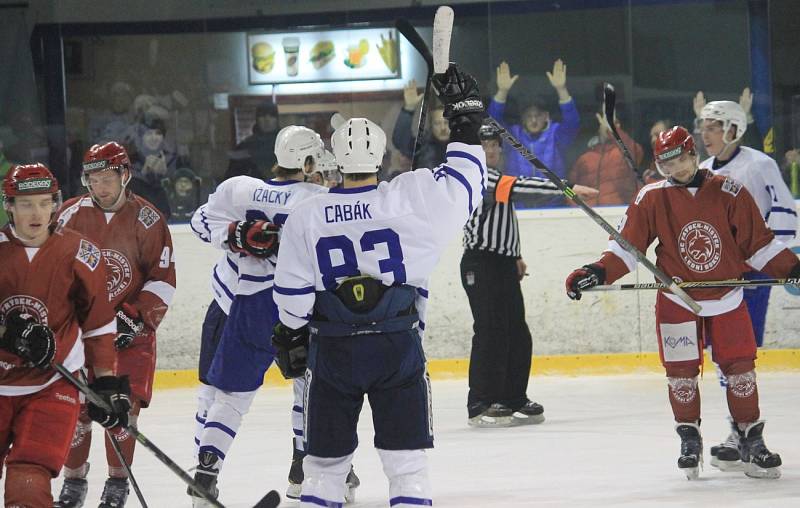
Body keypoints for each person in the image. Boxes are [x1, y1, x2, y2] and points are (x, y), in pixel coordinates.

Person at [270, 63, 485, 507]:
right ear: (382, 156)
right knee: (407, 467)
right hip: (396, 348)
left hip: (333, 352)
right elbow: (467, 184)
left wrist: (291, 332)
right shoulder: (410, 195)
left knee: (324, 471)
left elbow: (291, 297)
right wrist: (464, 120)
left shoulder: (307, 215)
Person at [565, 126, 800, 480]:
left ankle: (750, 437)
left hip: (726, 296)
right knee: (681, 376)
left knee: (741, 372)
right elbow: (626, 250)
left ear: (693, 154)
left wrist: (793, 267)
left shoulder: (729, 190)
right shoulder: (650, 198)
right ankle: (689, 438)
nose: (675, 170)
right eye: (666, 164)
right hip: (677, 299)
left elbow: (758, 244)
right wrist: (597, 271)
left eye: (680, 160)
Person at [187, 126, 359, 506]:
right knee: (311, 390)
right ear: (308, 162)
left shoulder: (238, 189)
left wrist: (235, 233)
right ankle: (307, 470)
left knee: (228, 398)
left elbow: (201, 223)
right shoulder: (318, 199)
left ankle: (205, 475)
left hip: (245, 306)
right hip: (298, 308)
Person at [55, 142, 176, 508]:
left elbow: (162, 279)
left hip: (131, 336)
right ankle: (73, 483)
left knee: (122, 410)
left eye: (108, 178)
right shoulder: (68, 215)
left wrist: (134, 315)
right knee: (75, 411)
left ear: (125, 175)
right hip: (80, 336)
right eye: (94, 179)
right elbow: (53, 271)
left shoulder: (148, 220)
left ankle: (117, 484)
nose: (101, 187)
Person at [1, 163, 129, 508]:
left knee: (29, 480)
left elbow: (99, 324)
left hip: (52, 384)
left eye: (45, 202)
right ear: (8, 206)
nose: (37, 213)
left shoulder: (81, 253)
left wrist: (105, 384)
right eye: (26, 204)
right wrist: (7, 333)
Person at [464, 122, 598, 427]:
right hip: (481, 264)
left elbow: (502, 218)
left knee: (517, 334)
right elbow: (520, 189)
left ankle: (513, 397)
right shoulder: (477, 177)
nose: (492, 150)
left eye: (496, 145)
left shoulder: (495, 177)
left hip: (503, 263)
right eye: (485, 145)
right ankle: (480, 403)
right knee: (489, 332)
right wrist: (567, 188)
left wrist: (515, 254)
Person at [697, 100, 798, 469]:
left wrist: (777, 264)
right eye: (703, 126)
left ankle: (745, 432)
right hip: (720, 275)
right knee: (723, 356)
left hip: (754, 273)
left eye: (713, 126)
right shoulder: (704, 170)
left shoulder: (760, 164)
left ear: (733, 129)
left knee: (739, 356)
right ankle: (737, 431)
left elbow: (785, 211)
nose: (704, 133)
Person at [487, 59, 580, 183]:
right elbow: (492, 122)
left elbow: (572, 122)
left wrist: (561, 89)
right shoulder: (513, 135)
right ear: (522, 118)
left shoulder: (555, 134)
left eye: (538, 115)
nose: (534, 120)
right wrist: (502, 91)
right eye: (529, 116)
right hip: (518, 199)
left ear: (546, 116)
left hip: (553, 199)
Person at [569, 111, 643, 206]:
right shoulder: (584, 158)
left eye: (615, 123)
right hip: (589, 215)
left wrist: (611, 129)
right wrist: (576, 207)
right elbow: (568, 189)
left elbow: (636, 152)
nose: (610, 126)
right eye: (608, 122)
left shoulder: (624, 153)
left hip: (620, 212)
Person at [392, 80, 450, 171]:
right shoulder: (422, 146)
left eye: (446, 122)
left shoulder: (463, 145)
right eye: (437, 123)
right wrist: (409, 109)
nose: (443, 128)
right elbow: (400, 141)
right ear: (431, 125)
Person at [227, 100, 280, 180]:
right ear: (257, 119)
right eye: (262, 115)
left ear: (276, 119)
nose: (267, 119)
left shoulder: (287, 146)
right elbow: (232, 180)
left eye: (271, 115)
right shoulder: (245, 146)